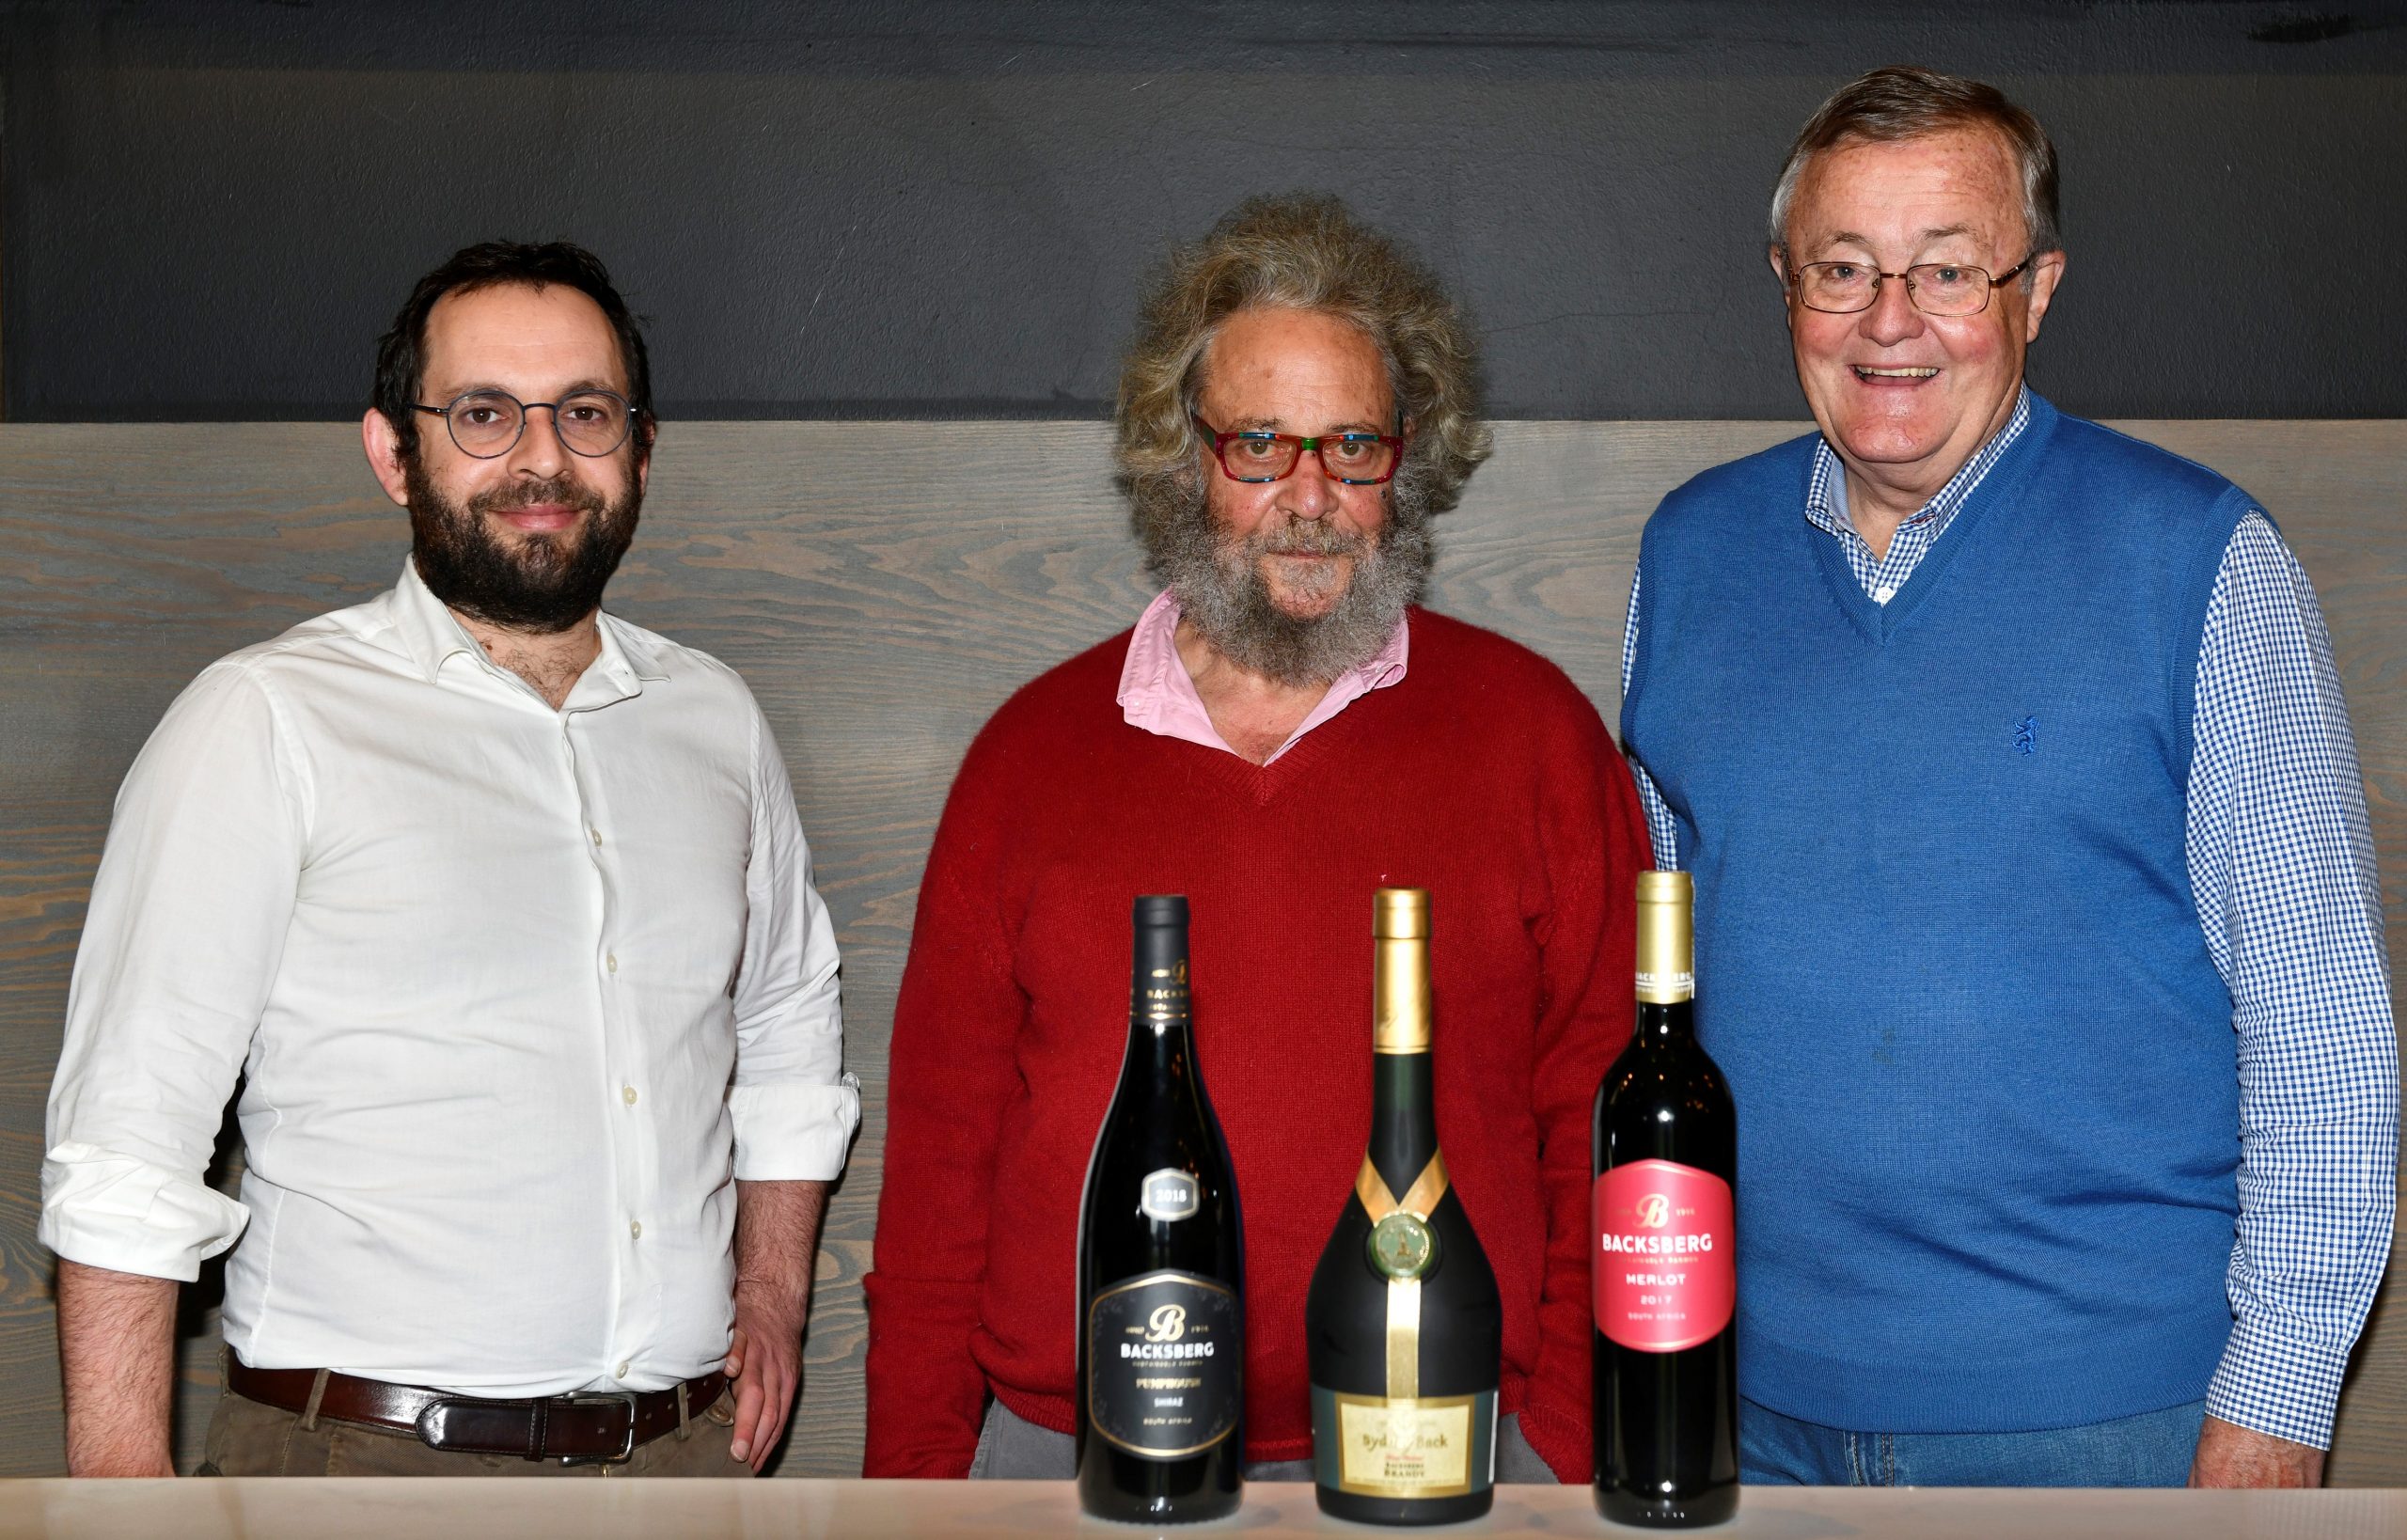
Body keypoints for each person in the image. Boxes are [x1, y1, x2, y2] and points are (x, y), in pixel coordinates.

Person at [1620, 67, 2397, 1487]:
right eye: (1843, 269)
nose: (1890, 321)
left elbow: (2322, 1029)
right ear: (1785, 286)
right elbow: (1654, 990)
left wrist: (2280, 1406)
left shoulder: (2201, 564)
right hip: (1742, 1399)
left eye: (1948, 270)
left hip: (2106, 1421)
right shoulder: (1690, 556)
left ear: (2037, 291)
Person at [862, 194, 1650, 1482]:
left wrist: (1562, 1445)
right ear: (1183, 458)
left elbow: (1608, 1117)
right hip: (1071, 1461)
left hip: (1443, 1450)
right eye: (1261, 446)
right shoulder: (1031, 759)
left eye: (1353, 447)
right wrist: (912, 1488)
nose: (1310, 498)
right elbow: (942, 1170)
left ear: (1406, 462)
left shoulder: (1534, 740)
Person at [41, 241, 859, 1477]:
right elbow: (126, 1134)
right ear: (392, 453)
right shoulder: (265, 721)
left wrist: (775, 1286)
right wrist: (119, 1497)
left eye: (585, 412)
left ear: (642, 451)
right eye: (484, 413)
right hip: (361, 1466)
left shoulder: (715, 720)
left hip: (684, 1463)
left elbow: (788, 1016)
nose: (542, 457)